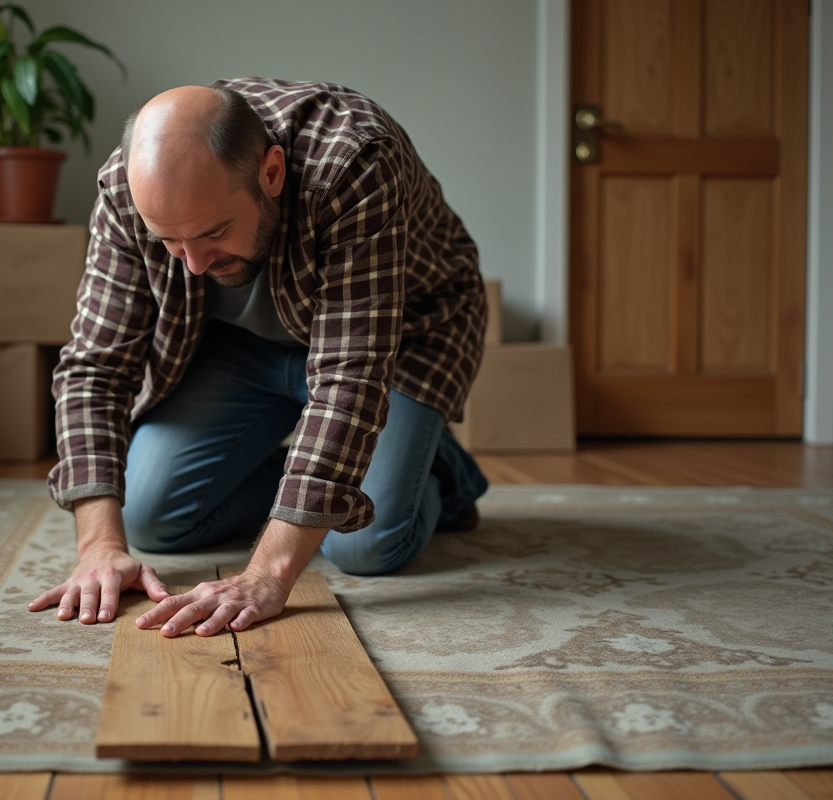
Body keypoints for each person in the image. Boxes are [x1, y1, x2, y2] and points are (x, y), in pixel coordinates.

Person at [29, 77, 489, 638]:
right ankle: (339, 472)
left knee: (367, 545)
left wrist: (267, 573)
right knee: (151, 519)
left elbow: (349, 375)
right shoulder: (131, 185)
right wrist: (99, 546)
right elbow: (96, 364)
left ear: (271, 174)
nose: (193, 265)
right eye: (170, 243)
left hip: (400, 337)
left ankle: (441, 470)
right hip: (243, 349)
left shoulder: (354, 159)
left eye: (214, 233)